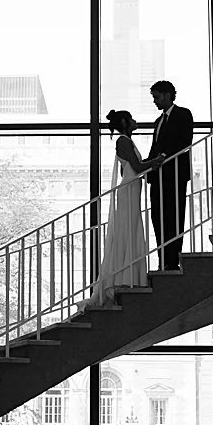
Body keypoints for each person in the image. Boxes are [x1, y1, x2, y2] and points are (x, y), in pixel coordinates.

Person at [89, 109, 153, 305]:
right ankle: (124, 278)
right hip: (129, 189)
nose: (135, 121)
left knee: (130, 228)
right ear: (125, 122)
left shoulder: (126, 140)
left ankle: (128, 277)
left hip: (132, 188)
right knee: (127, 228)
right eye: (132, 119)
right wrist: (157, 161)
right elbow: (137, 166)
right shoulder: (123, 141)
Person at [145, 80, 194, 272]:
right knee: (158, 219)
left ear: (167, 95)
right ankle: (163, 259)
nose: (155, 101)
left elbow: (185, 140)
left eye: (156, 97)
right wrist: (145, 166)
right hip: (157, 177)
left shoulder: (183, 114)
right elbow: (154, 148)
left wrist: (164, 156)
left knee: (174, 217)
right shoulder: (158, 122)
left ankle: (172, 261)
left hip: (175, 175)